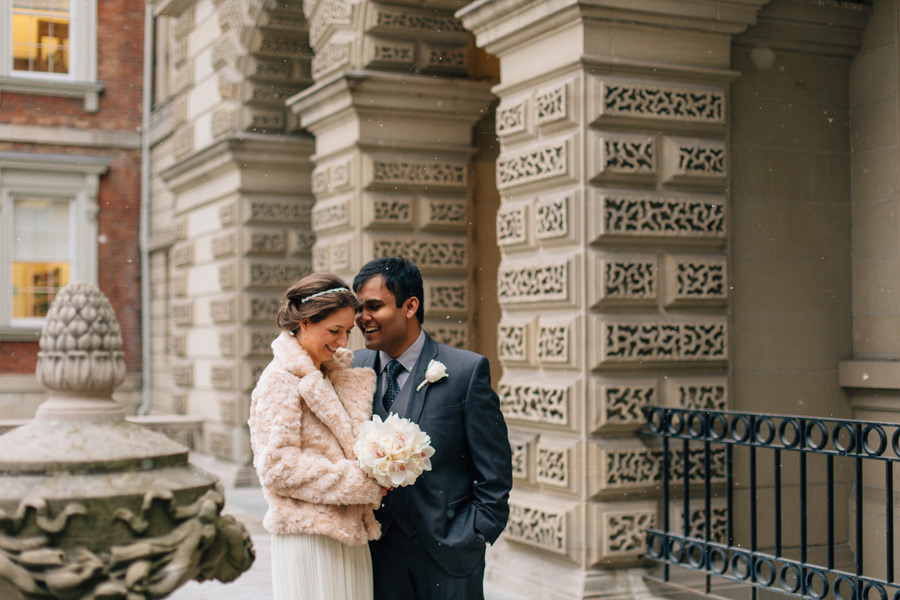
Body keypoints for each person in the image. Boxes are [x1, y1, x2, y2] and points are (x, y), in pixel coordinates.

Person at [352, 256, 513, 600]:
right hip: (373, 554)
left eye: (374, 306)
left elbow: (494, 473)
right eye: (359, 308)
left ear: (410, 306)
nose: (362, 318)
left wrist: (473, 534)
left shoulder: (465, 371)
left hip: (449, 554)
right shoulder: (352, 368)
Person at [248, 273, 387, 600]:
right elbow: (278, 469)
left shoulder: (334, 375)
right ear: (306, 323)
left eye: (347, 332)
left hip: (349, 533)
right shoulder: (279, 381)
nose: (342, 341)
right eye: (334, 331)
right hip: (308, 538)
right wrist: (364, 483)